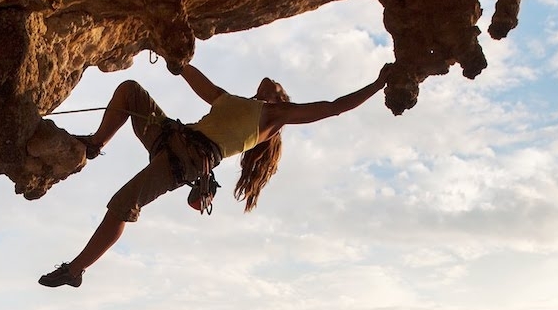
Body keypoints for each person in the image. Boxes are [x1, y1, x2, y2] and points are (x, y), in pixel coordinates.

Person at [38, 57, 392, 289]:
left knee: (123, 203)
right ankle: (96, 144)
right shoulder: (231, 101)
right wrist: (172, 57)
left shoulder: (274, 117)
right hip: (174, 136)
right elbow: (193, 77)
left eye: (281, 90)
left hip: (190, 159)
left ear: (282, 102)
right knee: (131, 92)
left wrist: (378, 85)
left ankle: (76, 270)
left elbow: (333, 108)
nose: (275, 85)